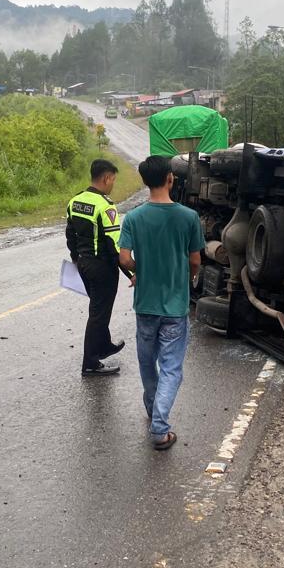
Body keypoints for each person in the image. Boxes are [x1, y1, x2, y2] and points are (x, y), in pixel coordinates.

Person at [118, 155, 204, 450]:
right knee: (171, 367)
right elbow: (195, 261)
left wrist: (139, 273)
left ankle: (153, 409)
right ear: (170, 178)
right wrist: (188, 278)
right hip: (175, 306)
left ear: (144, 181)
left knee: (147, 362)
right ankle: (159, 426)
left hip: (145, 305)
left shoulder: (133, 218)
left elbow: (125, 258)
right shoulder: (188, 217)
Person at [65, 159, 134, 376]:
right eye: (113, 179)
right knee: (98, 314)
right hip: (102, 268)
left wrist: (76, 259)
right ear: (106, 178)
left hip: (84, 264)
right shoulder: (106, 206)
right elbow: (114, 248)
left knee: (99, 308)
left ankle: (104, 346)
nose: (113, 183)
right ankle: (90, 363)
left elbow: (70, 234)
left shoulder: (74, 201)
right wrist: (132, 272)